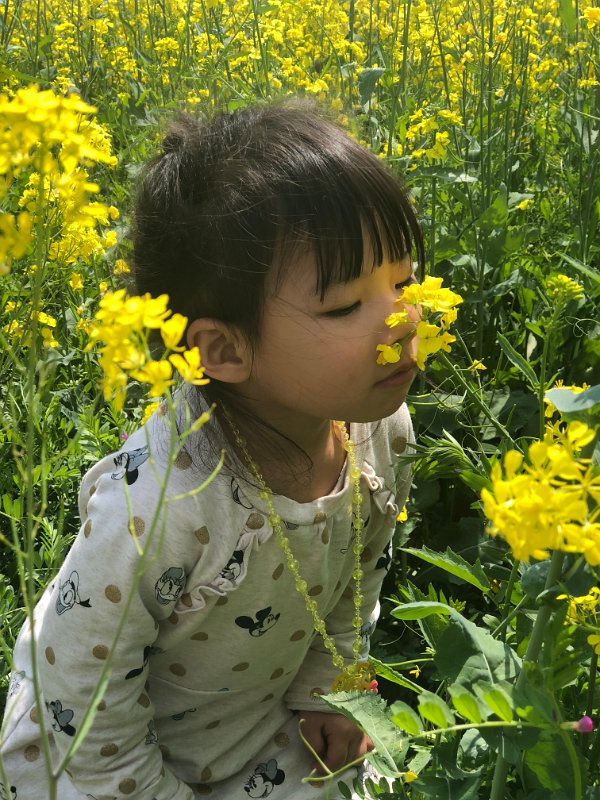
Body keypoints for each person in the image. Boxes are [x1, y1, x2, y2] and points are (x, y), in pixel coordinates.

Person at [0, 101, 423, 800]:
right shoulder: (158, 506)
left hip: (256, 723)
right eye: (346, 306)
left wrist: (333, 688)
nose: (406, 320)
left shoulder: (381, 429)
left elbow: (358, 576)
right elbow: (75, 698)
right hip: (103, 754)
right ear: (222, 350)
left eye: (403, 282)